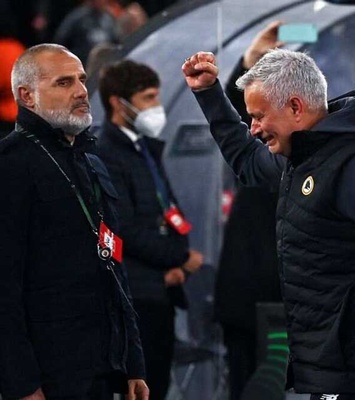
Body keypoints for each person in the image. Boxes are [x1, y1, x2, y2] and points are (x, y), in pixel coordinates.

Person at [182, 49, 355, 400]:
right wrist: (209, 93)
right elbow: (247, 160)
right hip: (331, 371)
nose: (254, 128)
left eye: (259, 116)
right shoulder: (304, 156)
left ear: (295, 107)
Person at [0, 43, 148, 400]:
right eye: (64, 83)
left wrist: (133, 363)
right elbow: (3, 287)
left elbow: (114, 266)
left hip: (103, 369)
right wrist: (20, 384)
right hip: (48, 374)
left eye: (82, 79)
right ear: (27, 96)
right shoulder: (9, 165)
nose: (82, 91)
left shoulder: (91, 162)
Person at [95, 59, 203, 400]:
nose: (157, 107)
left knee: (159, 382)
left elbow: (167, 208)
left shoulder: (144, 149)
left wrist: (177, 258)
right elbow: (123, 228)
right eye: (148, 98)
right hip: (139, 294)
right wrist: (178, 257)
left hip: (161, 292)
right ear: (118, 103)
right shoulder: (107, 153)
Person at [216, 21, 283, 400]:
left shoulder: (312, 159)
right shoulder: (263, 161)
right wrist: (251, 62)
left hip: (288, 304)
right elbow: (234, 122)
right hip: (249, 299)